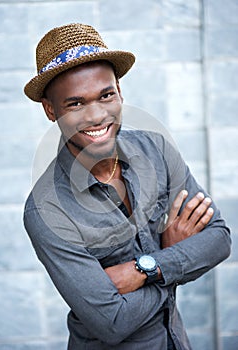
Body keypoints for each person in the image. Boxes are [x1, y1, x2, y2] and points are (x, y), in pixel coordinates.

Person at [23, 23, 231, 349]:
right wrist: (173, 257)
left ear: (119, 91)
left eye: (106, 95)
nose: (96, 116)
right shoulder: (47, 209)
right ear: (52, 110)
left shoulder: (157, 151)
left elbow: (219, 239)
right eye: (76, 104)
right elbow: (113, 322)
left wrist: (144, 269)